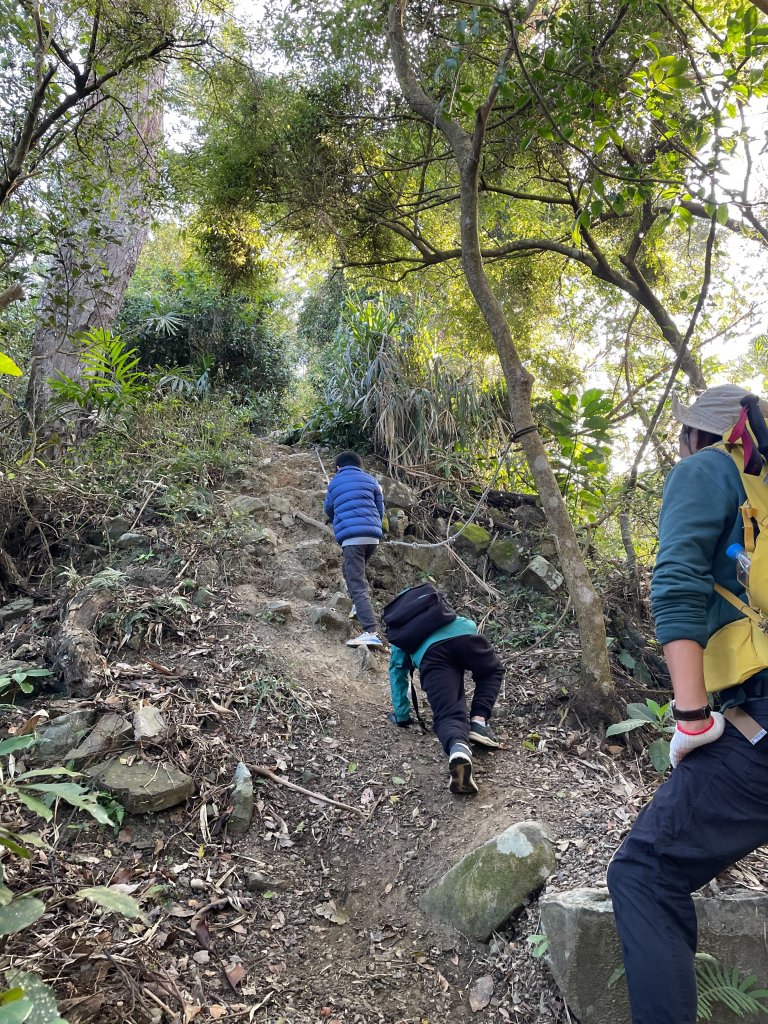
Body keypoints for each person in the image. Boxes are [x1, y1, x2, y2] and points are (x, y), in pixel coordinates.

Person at [607, 384, 768, 1024]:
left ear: (701, 435)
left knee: (644, 873)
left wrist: (692, 717)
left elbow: (675, 581)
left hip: (758, 721)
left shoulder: (706, 471)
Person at [387, 596, 504, 795]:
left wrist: (402, 716)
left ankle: (459, 750)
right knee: (490, 671)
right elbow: (467, 623)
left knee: (448, 715)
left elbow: (398, 671)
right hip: (465, 635)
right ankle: (479, 722)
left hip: (431, 655)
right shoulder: (430, 604)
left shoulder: (401, 626)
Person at [323, 451, 385, 648]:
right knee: (349, 571)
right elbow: (380, 509)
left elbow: (329, 509)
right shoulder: (372, 480)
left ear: (338, 468)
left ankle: (371, 632)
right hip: (372, 537)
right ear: (360, 466)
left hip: (352, 538)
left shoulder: (334, 483)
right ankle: (359, 606)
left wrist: (335, 519)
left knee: (357, 583)